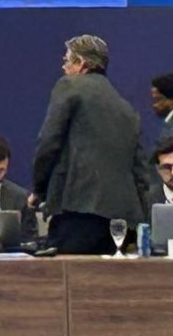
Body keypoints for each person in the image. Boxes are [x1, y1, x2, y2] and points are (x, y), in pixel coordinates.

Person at [30, 35, 150, 255]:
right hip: (121, 223)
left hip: (77, 211)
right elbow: (140, 172)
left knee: (70, 276)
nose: (64, 67)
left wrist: (39, 190)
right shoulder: (127, 109)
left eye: (67, 61)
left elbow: (48, 142)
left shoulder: (69, 86)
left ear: (82, 64)